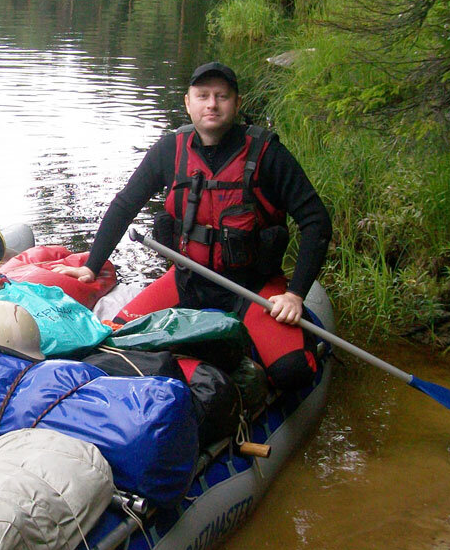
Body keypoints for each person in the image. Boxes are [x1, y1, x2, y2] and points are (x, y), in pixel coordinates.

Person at [55, 62, 332, 391]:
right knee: (111, 345)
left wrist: (296, 293)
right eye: (202, 96)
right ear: (188, 103)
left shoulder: (268, 154)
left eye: (221, 96)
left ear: (237, 104)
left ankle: (299, 346)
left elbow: (316, 220)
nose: (212, 104)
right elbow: (125, 205)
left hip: (253, 289)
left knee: (291, 372)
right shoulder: (170, 150)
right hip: (188, 281)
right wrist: (91, 266)